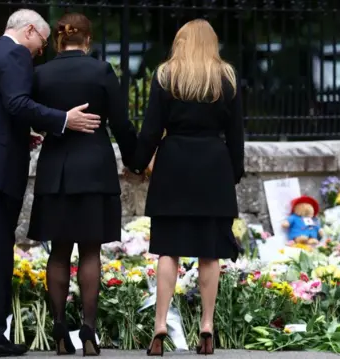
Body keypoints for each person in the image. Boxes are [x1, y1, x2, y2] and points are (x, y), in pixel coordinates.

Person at [0, 8, 101, 358]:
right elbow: (16, 102)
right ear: (29, 30)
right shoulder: (14, 55)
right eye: (41, 44)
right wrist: (63, 119)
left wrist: (20, 133)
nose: (40, 52)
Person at [128, 19, 245, 356]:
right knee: (210, 253)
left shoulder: (166, 75)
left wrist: (138, 161)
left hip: (173, 166)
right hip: (213, 166)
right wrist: (233, 173)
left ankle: (160, 324)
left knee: (168, 250)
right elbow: (236, 134)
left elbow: (151, 129)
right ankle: (207, 324)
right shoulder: (226, 78)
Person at [26, 12, 137, 357]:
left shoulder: (40, 73)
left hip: (56, 170)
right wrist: (137, 161)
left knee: (59, 252)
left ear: (58, 40)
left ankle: (60, 328)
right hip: (94, 170)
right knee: (90, 250)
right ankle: (88, 330)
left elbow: (27, 113)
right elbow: (121, 123)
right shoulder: (101, 71)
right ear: (88, 40)